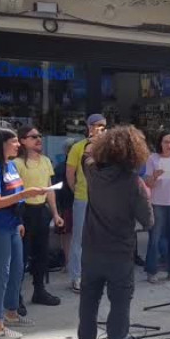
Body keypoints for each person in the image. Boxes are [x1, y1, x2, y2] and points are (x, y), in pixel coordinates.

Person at [77, 125, 153, 339]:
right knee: (120, 301)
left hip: (92, 248)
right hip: (120, 253)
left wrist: (95, 140)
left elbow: (85, 157)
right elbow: (148, 221)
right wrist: (145, 199)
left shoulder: (92, 173)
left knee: (89, 298)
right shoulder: (134, 183)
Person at [0, 127, 45, 339]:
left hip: (13, 224)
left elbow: (16, 195)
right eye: (14, 141)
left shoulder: (11, 166)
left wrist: (18, 220)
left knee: (17, 269)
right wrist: (26, 194)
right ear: (2, 144)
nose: (18, 145)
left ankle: (11, 312)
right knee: (1, 274)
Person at [14, 125, 64, 306]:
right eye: (33, 136)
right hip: (24, 211)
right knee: (21, 256)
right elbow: (15, 192)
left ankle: (39, 291)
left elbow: (49, 189)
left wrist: (56, 213)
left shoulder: (45, 161)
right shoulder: (16, 164)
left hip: (41, 211)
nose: (38, 139)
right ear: (22, 141)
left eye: (39, 135)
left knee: (42, 253)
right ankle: (15, 296)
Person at [66, 114, 107, 293]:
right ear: (89, 127)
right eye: (98, 126)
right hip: (83, 197)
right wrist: (76, 191)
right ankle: (76, 277)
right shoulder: (78, 147)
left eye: (104, 126)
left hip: (103, 199)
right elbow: (70, 173)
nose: (101, 129)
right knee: (79, 239)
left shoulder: (109, 148)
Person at [144, 132, 170, 283]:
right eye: (166, 142)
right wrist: (155, 176)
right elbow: (148, 183)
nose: (169, 145)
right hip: (158, 202)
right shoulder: (153, 158)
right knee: (155, 237)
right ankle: (152, 271)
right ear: (160, 143)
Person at [52, 139, 75, 270]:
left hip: (66, 204)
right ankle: (68, 262)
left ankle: (68, 263)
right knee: (68, 235)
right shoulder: (63, 167)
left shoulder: (60, 167)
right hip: (68, 204)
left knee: (67, 235)